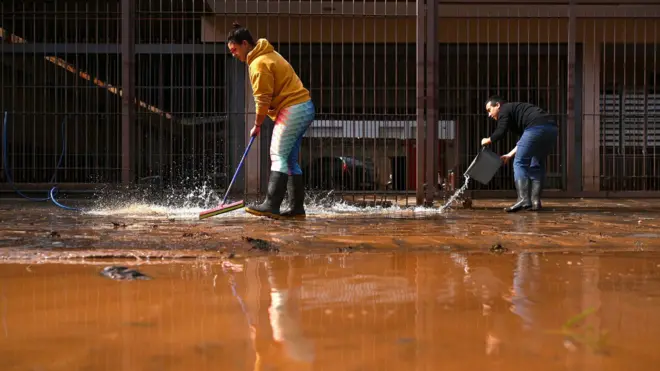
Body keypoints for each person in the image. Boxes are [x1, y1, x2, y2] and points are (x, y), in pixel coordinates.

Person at [227, 22, 315, 219]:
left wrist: (257, 125)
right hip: (301, 107)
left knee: (278, 154)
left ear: (244, 44)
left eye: (234, 50)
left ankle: (271, 205)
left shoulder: (258, 64)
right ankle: (296, 209)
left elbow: (262, 100)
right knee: (290, 161)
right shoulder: (267, 55)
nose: (234, 54)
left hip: (293, 108)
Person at [481, 96, 558, 212]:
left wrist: (488, 139)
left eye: (489, 110)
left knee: (519, 163)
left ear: (497, 105)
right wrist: (510, 154)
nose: (489, 115)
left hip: (536, 127)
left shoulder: (504, 109)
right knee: (535, 164)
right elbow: (526, 139)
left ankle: (523, 199)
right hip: (551, 129)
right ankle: (535, 202)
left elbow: (501, 132)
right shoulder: (516, 114)